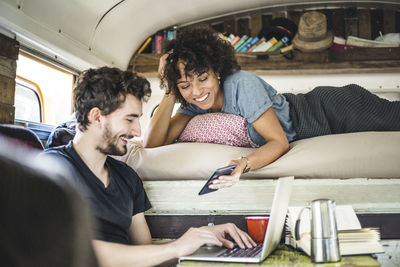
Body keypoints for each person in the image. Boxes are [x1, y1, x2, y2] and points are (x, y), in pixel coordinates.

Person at [42, 67, 255, 267]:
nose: (136, 131)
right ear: (96, 116)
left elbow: (145, 252)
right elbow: (70, 250)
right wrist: (177, 246)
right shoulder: (52, 168)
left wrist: (200, 238)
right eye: (129, 120)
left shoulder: (126, 177)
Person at [144, 26, 400, 189]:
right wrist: (170, 89)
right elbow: (153, 145)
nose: (197, 91)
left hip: (330, 109)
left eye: (202, 78)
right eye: (185, 86)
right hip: (319, 117)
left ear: (217, 71)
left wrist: (243, 164)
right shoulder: (194, 105)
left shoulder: (242, 84)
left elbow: (278, 142)